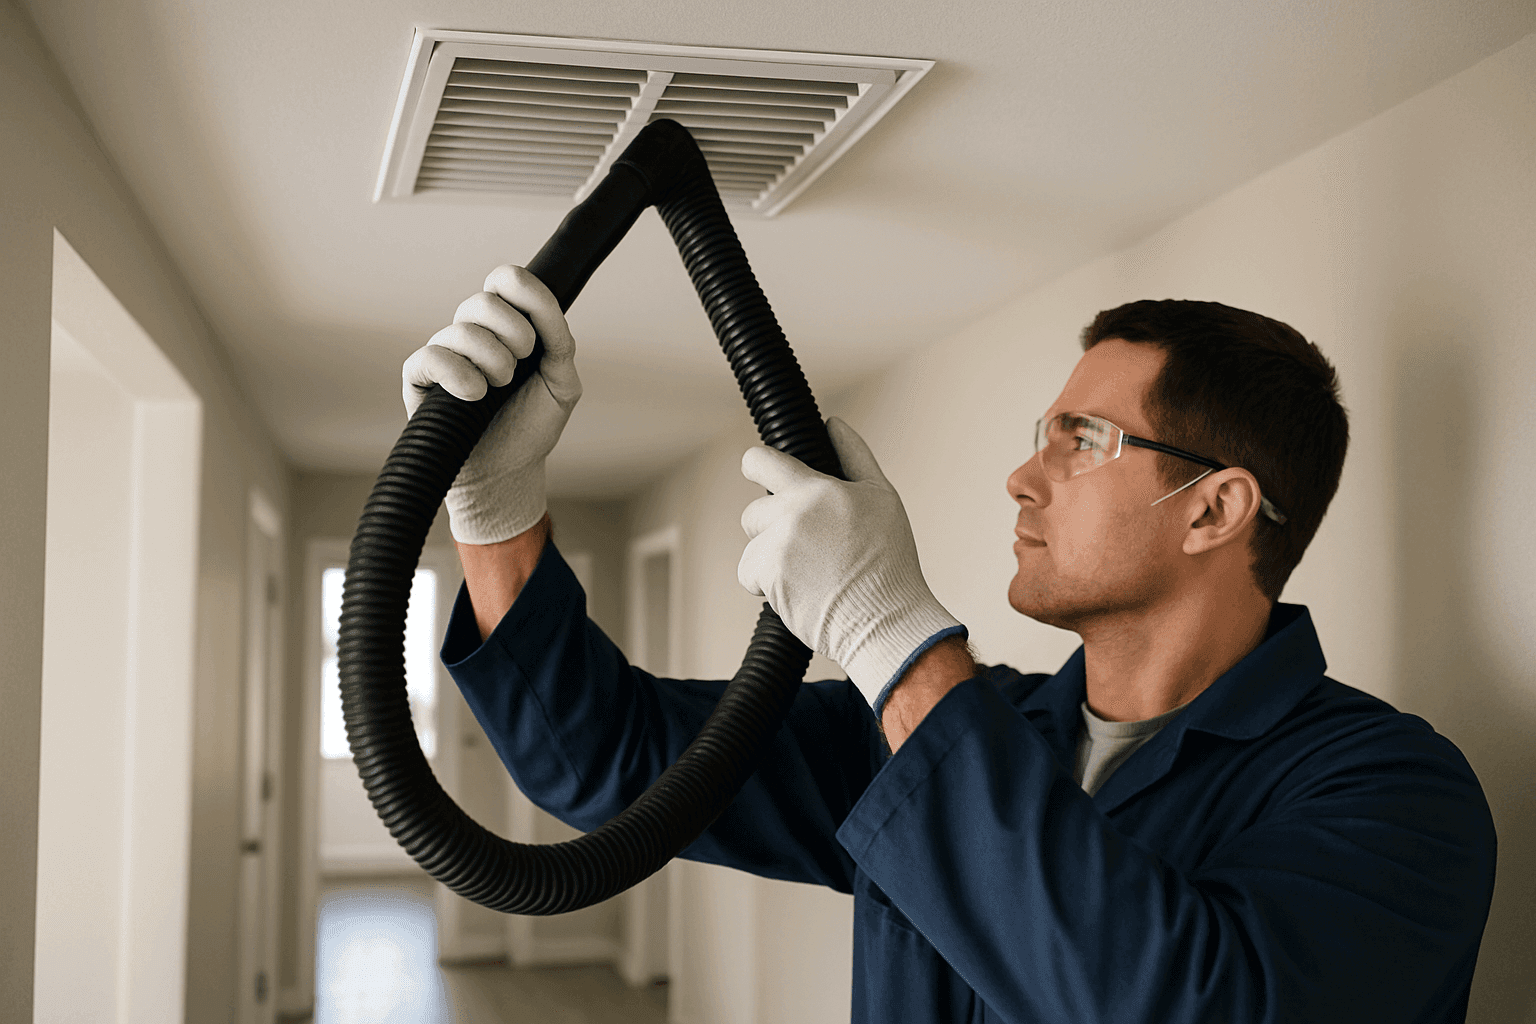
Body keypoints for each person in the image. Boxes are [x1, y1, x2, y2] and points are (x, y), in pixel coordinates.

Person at [405, 264, 1497, 1023]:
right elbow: (610, 759)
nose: (1025, 475)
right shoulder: (975, 727)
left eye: (1083, 439)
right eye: (1042, 435)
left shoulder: (1393, 796)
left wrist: (890, 632)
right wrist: (494, 504)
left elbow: (1172, 1003)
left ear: (1214, 511)